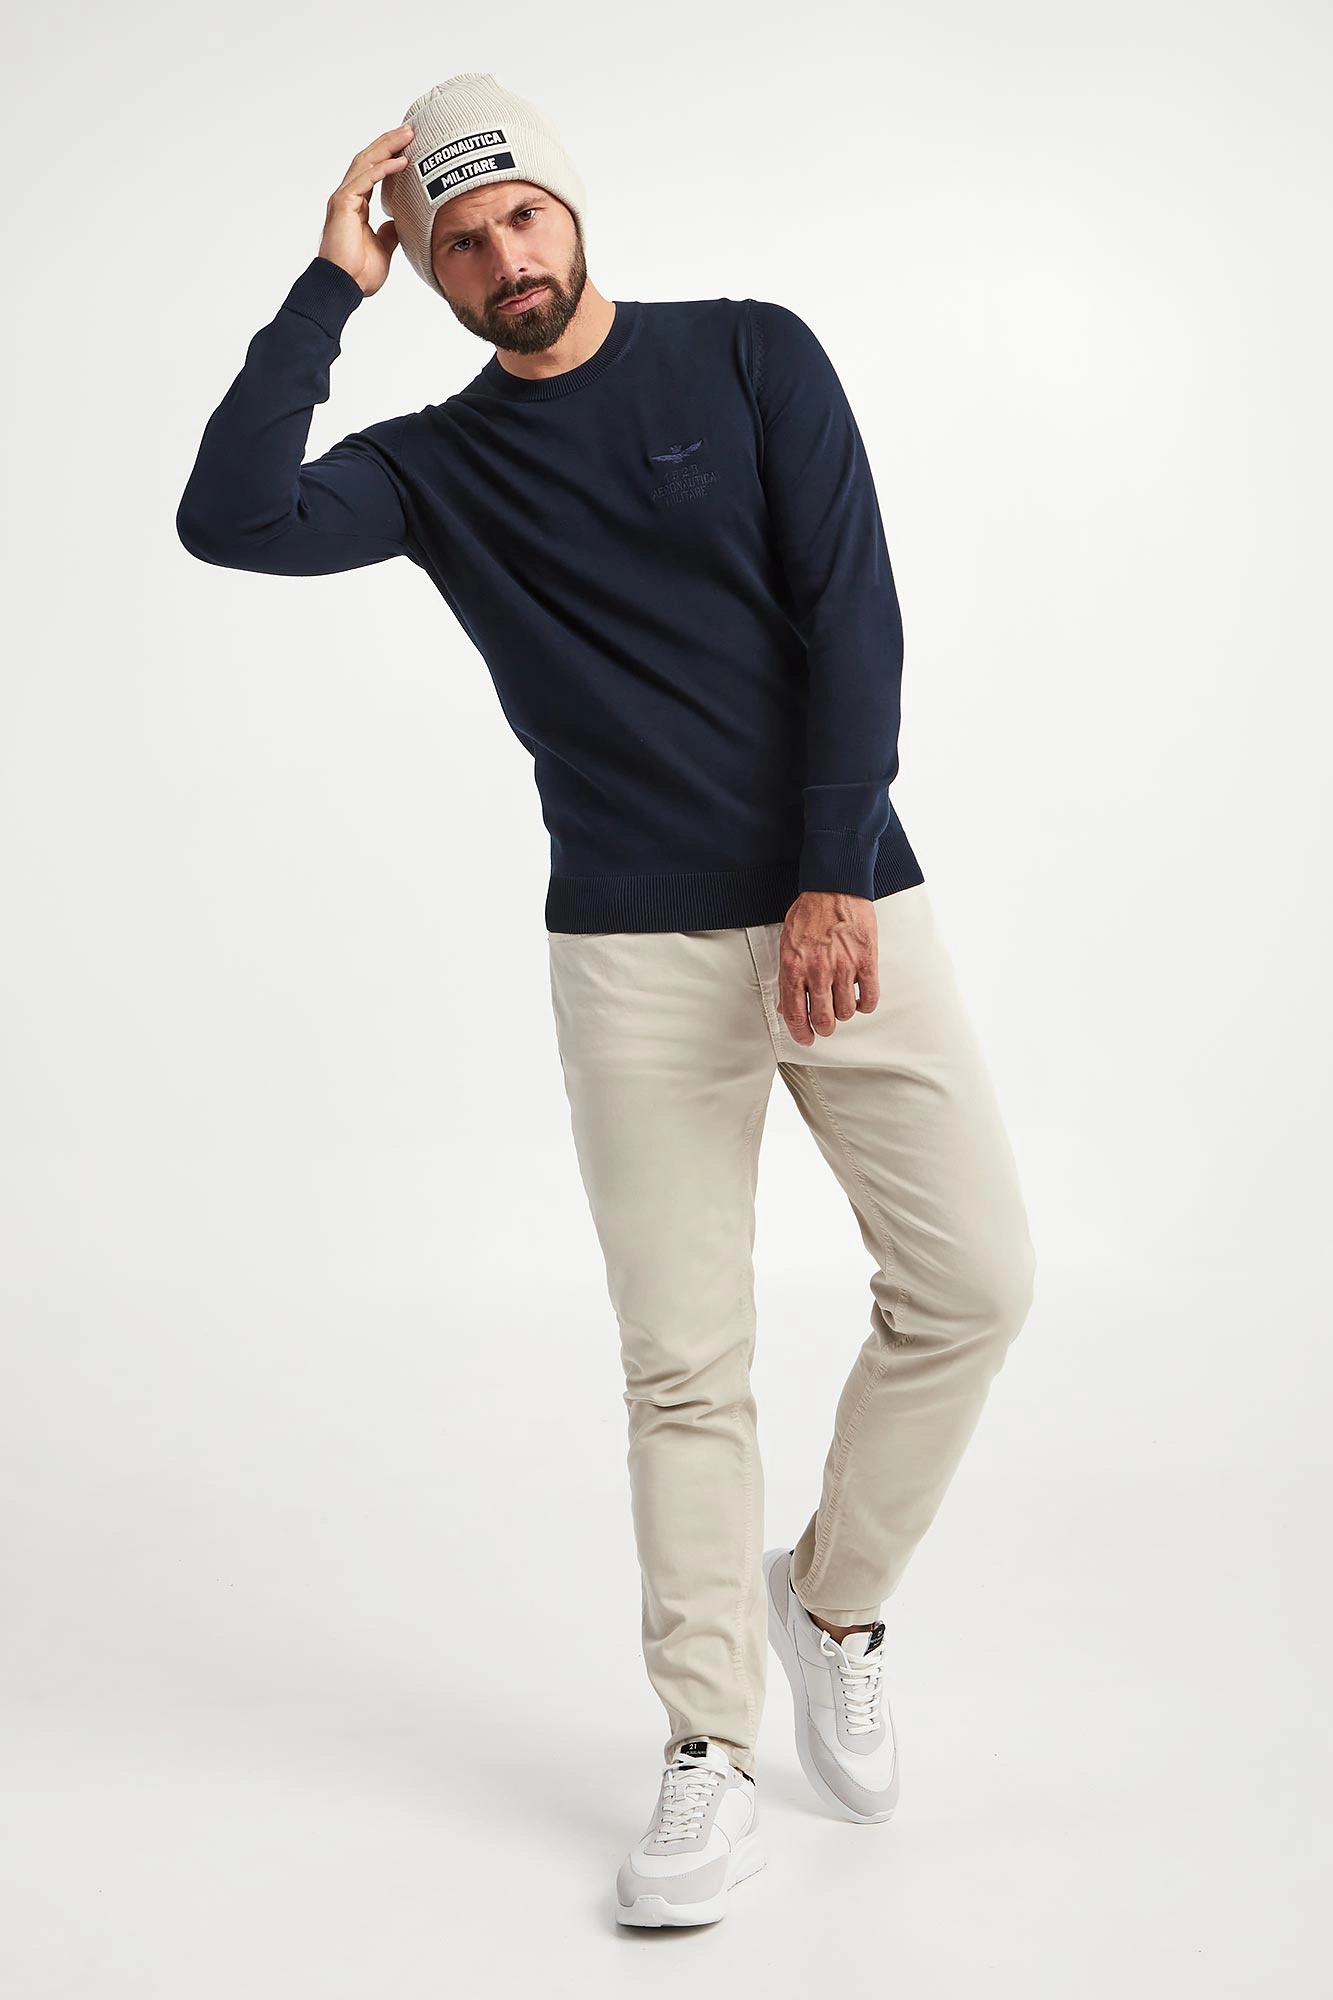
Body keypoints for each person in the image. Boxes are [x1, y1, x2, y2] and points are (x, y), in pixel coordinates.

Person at [176, 70, 1037, 1929]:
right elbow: (229, 518)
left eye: (522, 217)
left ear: (570, 209)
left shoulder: (750, 354)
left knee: (978, 1282)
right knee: (684, 1364)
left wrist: (830, 866)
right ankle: (709, 1743)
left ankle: (833, 1605)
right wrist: (327, 288)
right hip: (632, 958)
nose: (503, 257)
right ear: (433, 271)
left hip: (848, 904)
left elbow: (856, 609)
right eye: (459, 242)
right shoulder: (432, 466)